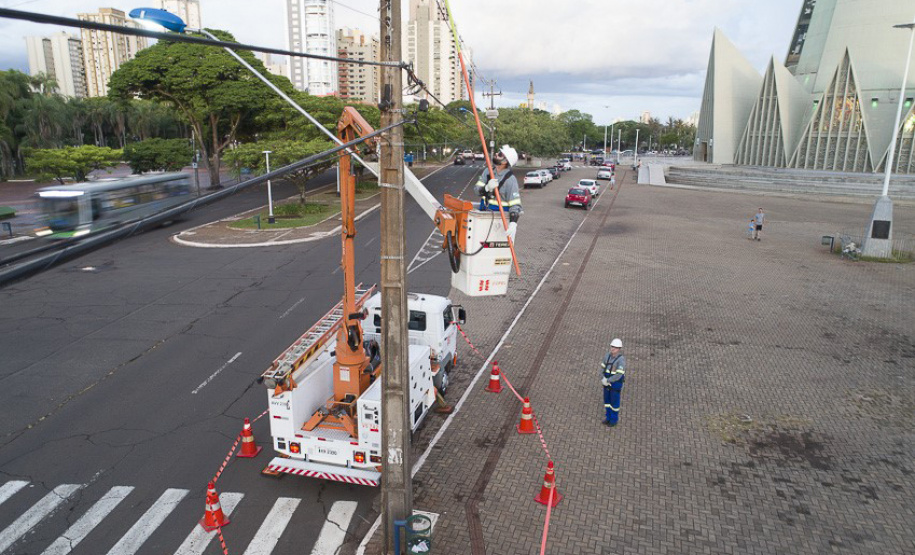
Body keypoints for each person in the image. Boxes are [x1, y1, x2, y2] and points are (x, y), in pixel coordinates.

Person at [474, 145, 521, 241]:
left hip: (498, 221)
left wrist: (513, 223)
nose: (496, 154)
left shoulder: (510, 180)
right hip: (483, 216)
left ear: (504, 161)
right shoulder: (487, 172)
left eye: (499, 154)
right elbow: (476, 190)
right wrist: (486, 188)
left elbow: (515, 205)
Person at [600, 338, 627, 427]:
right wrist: (602, 378)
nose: (612, 349)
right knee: (607, 401)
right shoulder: (607, 356)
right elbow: (602, 368)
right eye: (612, 347)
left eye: (615, 348)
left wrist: (608, 380)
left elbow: (618, 375)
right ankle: (608, 418)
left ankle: (613, 420)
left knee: (614, 403)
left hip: (615, 385)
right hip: (606, 383)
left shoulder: (621, 360)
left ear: (619, 349)